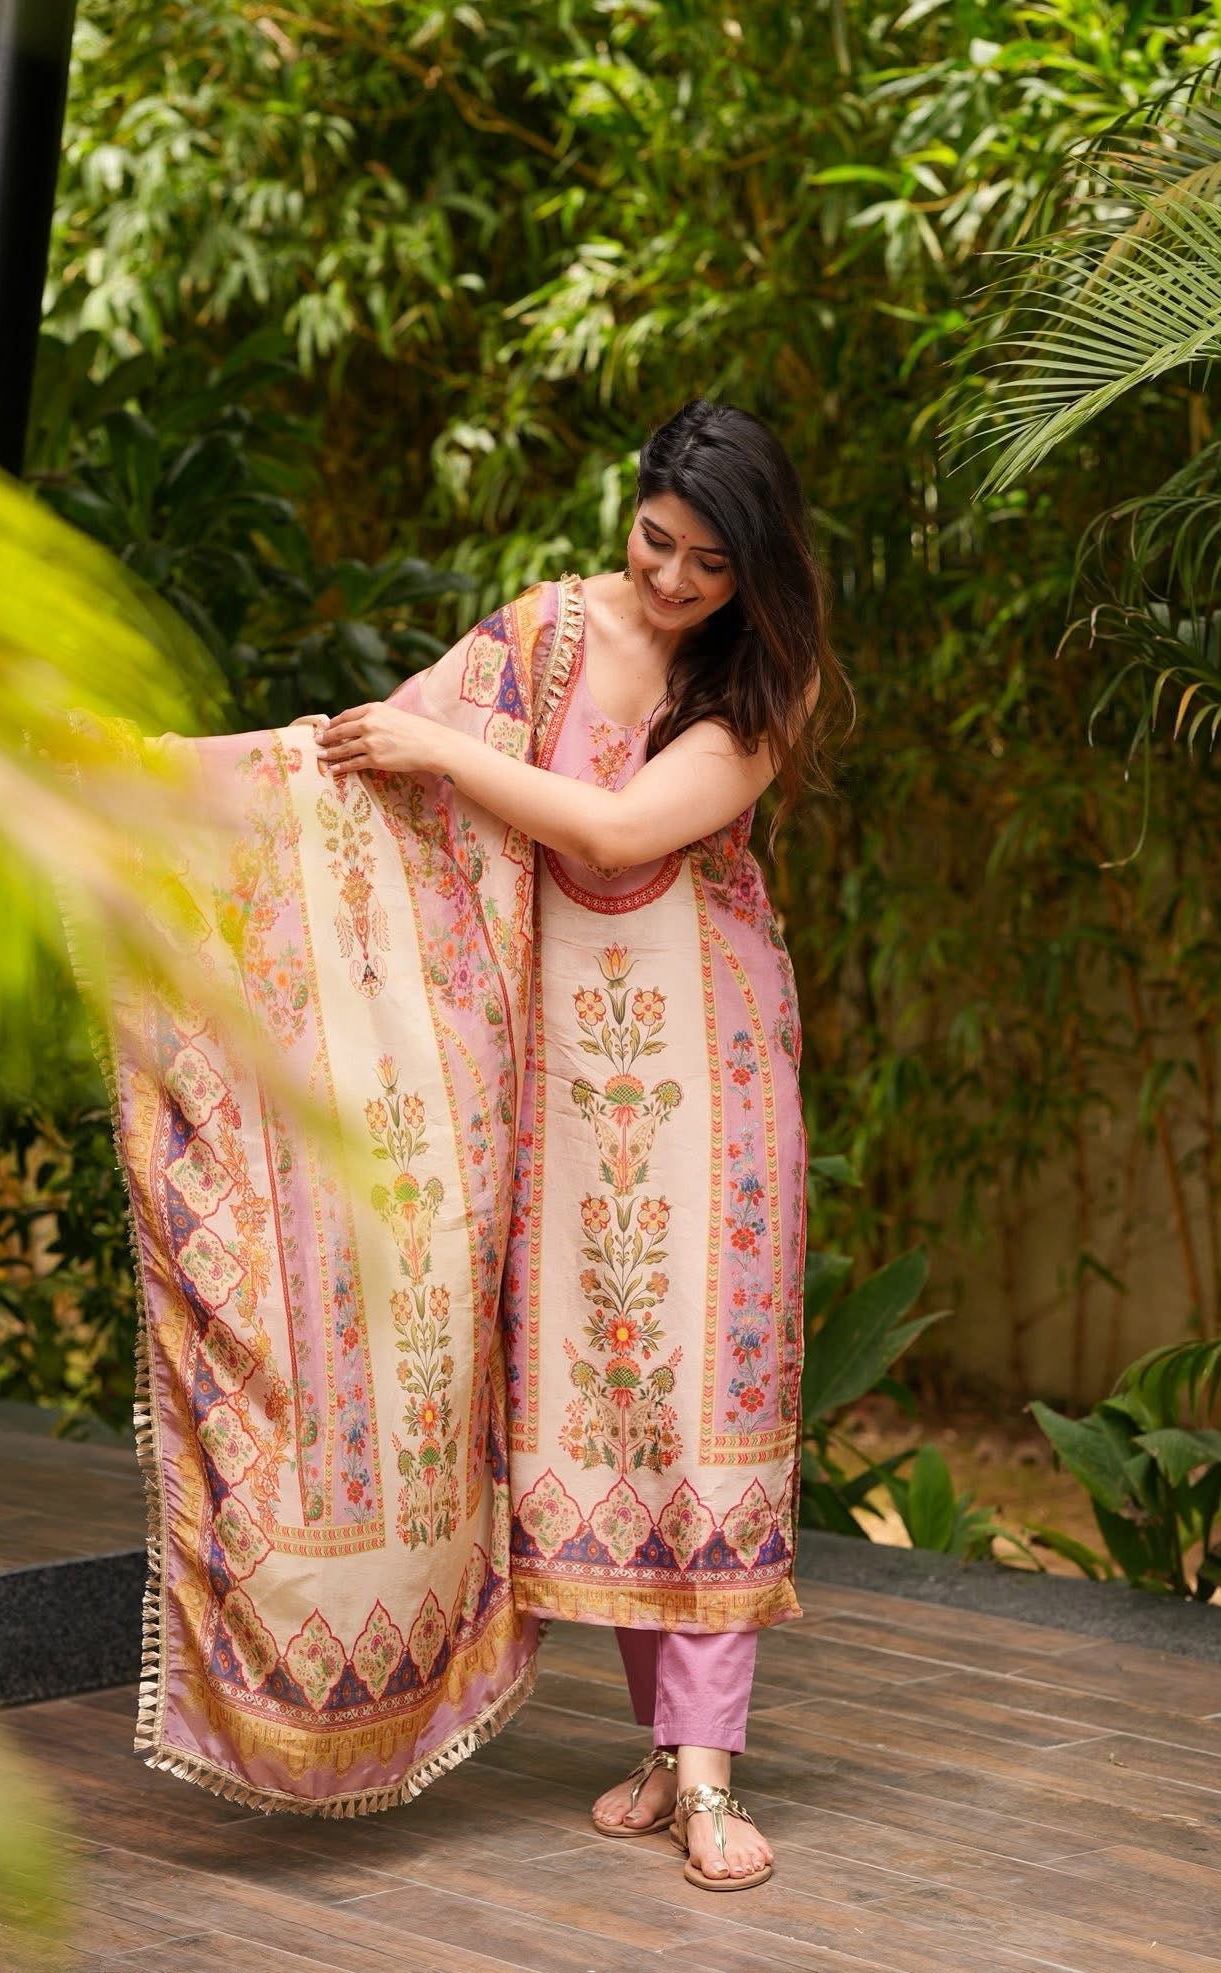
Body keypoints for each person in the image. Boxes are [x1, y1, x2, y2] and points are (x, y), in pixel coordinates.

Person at [316, 398, 844, 1891]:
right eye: (656, 542)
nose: (674, 581)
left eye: (712, 564)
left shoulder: (765, 679)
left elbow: (616, 834)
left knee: (705, 1396)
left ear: (758, 566)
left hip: (712, 1078)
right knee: (600, 1396)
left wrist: (440, 750)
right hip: (556, 1071)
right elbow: (370, 760)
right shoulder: (540, 636)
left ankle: (712, 1774)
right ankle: (666, 1750)